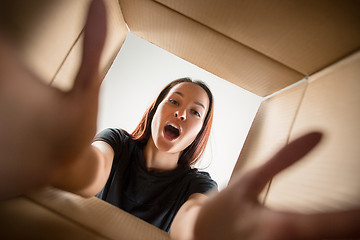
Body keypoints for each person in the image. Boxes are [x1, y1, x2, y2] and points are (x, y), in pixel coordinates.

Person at [0, 0, 359, 239]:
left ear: (199, 132)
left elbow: (193, 219)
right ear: (155, 109)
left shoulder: (197, 185)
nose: (181, 113)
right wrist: (63, 161)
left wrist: (206, 229)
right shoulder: (117, 143)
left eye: (195, 113)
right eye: (174, 101)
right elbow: (90, 169)